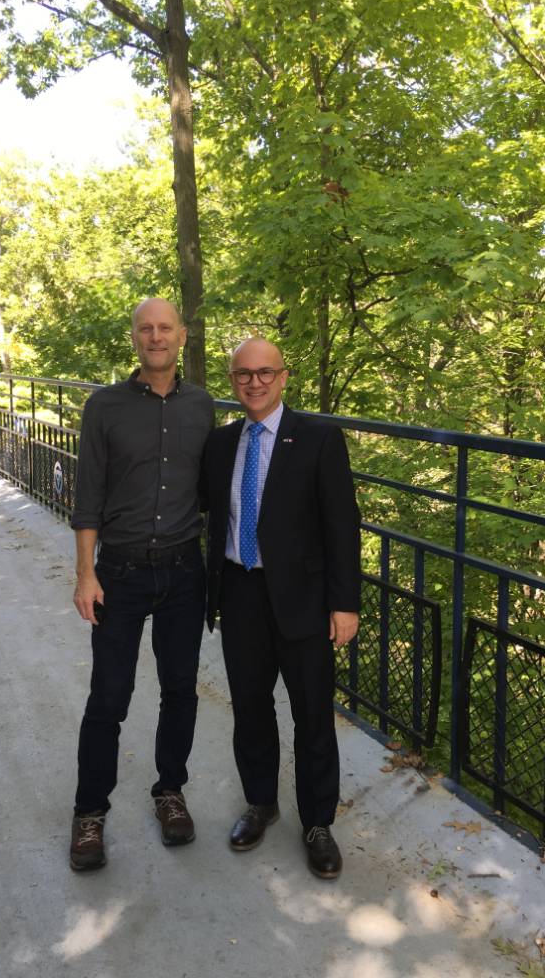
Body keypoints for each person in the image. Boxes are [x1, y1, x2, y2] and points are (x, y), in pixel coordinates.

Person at [201, 338, 361, 879]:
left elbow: (342, 526)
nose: (255, 382)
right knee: (250, 707)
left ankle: (317, 824)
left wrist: (344, 603)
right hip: (239, 590)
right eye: (244, 374)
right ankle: (261, 802)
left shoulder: (318, 439)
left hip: (304, 600)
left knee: (311, 713)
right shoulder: (221, 443)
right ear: (232, 380)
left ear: (284, 376)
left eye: (265, 372)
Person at [69, 297, 214, 871]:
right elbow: (87, 496)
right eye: (145, 329)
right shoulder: (104, 406)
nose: (156, 337)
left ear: (182, 336)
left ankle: (169, 791)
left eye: (165, 328)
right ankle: (89, 812)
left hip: (183, 571)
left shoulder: (203, 406)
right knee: (109, 696)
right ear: (134, 338)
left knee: (181, 690)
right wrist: (85, 573)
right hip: (120, 573)